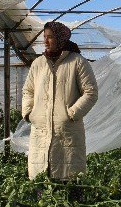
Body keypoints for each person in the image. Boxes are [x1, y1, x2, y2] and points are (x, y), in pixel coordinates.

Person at [22, 21, 98, 181]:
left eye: (50, 37)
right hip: (41, 129)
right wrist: (29, 113)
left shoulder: (77, 62)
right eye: (44, 37)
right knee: (41, 181)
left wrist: (71, 114)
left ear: (60, 38)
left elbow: (91, 92)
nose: (45, 41)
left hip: (67, 131)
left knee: (68, 180)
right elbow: (28, 90)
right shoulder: (38, 64)